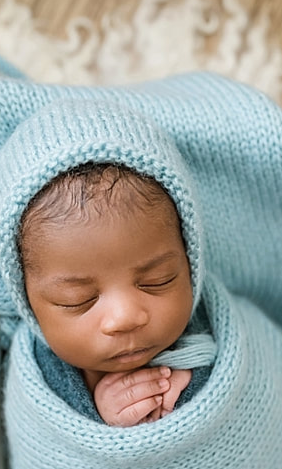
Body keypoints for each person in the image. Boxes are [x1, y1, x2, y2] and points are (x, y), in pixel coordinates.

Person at [18, 162, 205, 426]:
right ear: (27, 303)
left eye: (157, 281)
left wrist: (197, 383)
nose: (125, 318)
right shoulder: (39, 375)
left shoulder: (215, 325)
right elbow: (49, 449)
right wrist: (100, 418)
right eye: (78, 300)